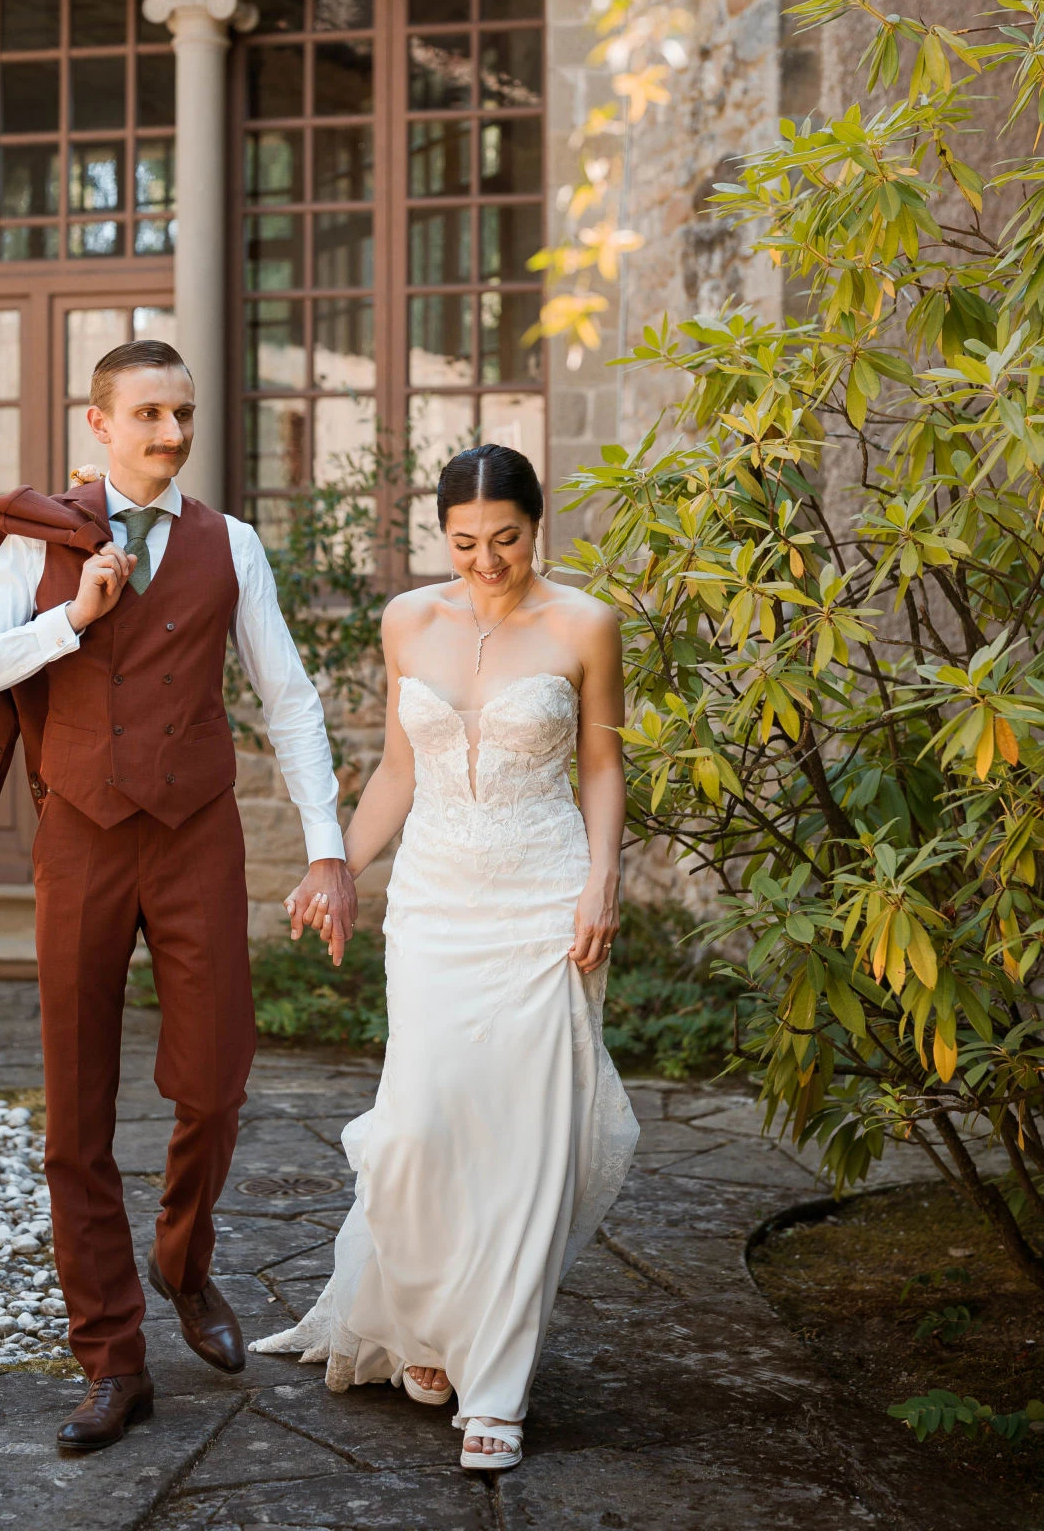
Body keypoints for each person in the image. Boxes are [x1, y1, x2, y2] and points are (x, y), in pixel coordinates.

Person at [0, 339, 356, 1455]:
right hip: (78, 837)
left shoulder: (233, 546)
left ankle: (182, 1252)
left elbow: (291, 699)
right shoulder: (39, 543)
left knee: (215, 1080)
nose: (172, 434)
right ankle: (111, 1356)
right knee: (75, 1110)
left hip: (194, 836)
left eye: (184, 413)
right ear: (99, 423)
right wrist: (68, 617)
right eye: (151, 414)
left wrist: (327, 850)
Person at [253, 442, 640, 1472]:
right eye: (464, 541)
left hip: (541, 899)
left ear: (536, 522)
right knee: (418, 1131)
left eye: (505, 538)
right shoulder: (407, 620)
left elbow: (602, 764)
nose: (486, 560)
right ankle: (424, 1322)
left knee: (523, 1145)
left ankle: (497, 1387)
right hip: (432, 902)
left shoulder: (583, 622)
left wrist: (602, 878)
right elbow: (395, 767)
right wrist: (333, 860)